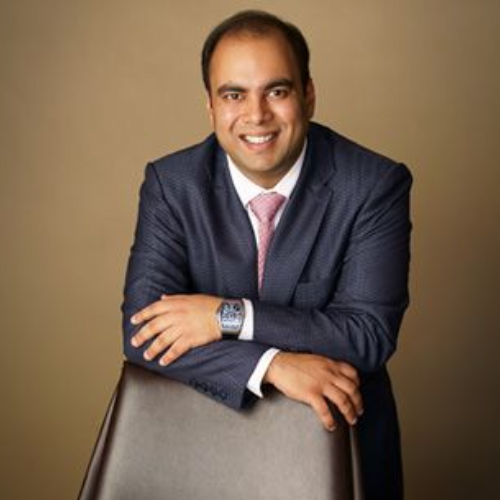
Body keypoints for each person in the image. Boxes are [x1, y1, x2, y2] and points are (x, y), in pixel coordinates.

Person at [121, 10, 412, 500]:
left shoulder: (373, 185)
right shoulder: (172, 185)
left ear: (308, 95)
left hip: (341, 451)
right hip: (203, 449)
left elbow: (366, 336)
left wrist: (226, 316)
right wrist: (273, 364)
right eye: (234, 94)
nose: (256, 115)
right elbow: (143, 333)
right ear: (211, 106)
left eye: (276, 91)